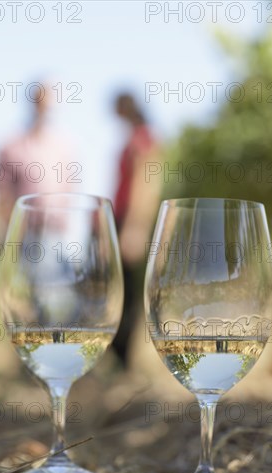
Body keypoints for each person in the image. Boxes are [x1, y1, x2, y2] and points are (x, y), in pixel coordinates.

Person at [112, 93, 161, 366]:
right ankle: (116, 360)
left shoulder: (144, 140)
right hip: (118, 219)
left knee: (128, 294)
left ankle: (123, 362)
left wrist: (134, 228)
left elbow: (146, 187)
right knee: (119, 289)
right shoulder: (133, 137)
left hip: (129, 223)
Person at [0, 83, 75, 240]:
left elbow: (69, 188)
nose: (44, 107)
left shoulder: (63, 146)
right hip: (23, 232)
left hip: (55, 232)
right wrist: (6, 230)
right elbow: (2, 192)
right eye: (40, 101)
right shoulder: (12, 146)